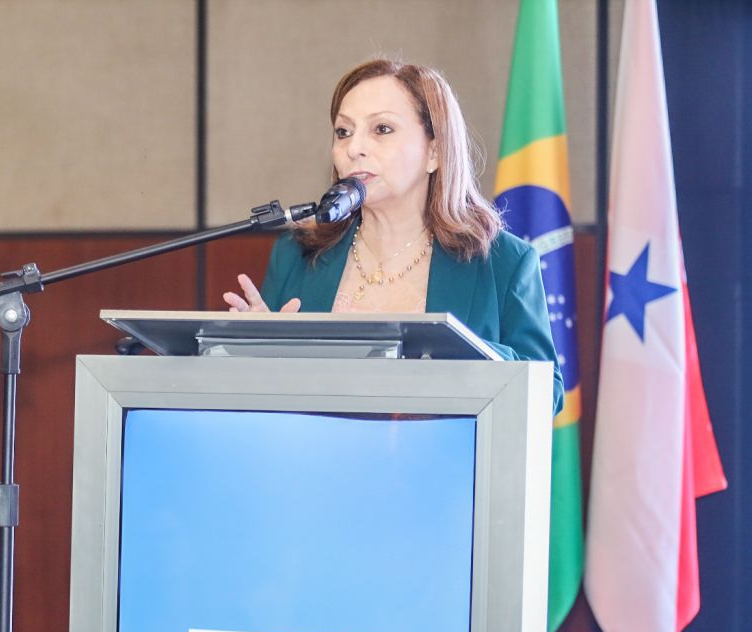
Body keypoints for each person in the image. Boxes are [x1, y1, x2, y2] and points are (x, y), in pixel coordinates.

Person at [224, 58, 564, 414]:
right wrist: (255, 353)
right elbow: (263, 400)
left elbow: (547, 393)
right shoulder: (296, 255)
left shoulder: (502, 262)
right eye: (344, 132)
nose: (354, 148)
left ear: (434, 151)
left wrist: (462, 355)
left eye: (382, 129)